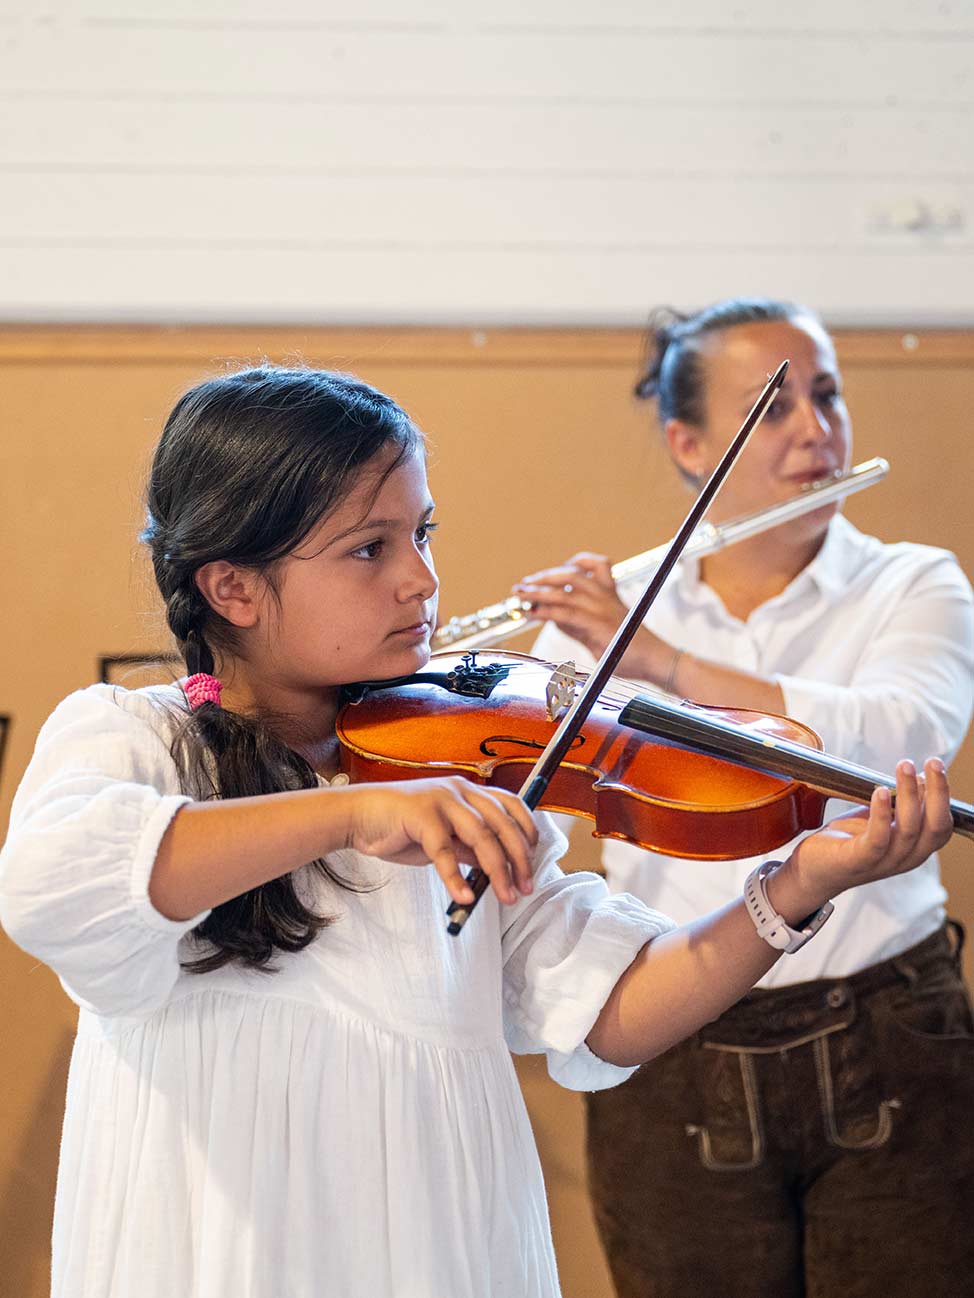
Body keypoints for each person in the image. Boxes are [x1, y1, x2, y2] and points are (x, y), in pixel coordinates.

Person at [0, 365, 953, 1298]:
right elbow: (56, 885)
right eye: (370, 549)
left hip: (437, 1249)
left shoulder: (441, 772)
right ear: (233, 588)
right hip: (227, 1252)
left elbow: (614, 1006)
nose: (423, 580)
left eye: (423, 533)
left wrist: (799, 886)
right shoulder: (138, 736)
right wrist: (353, 810)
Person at [519, 299, 974, 1298]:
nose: (812, 428)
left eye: (825, 394)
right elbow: (528, 824)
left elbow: (894, 738)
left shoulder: (912, 582)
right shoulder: (600, 611)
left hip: (890, 1026)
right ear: (687, 444)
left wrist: (660, 665)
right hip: (670, 1041)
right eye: (770, 409)